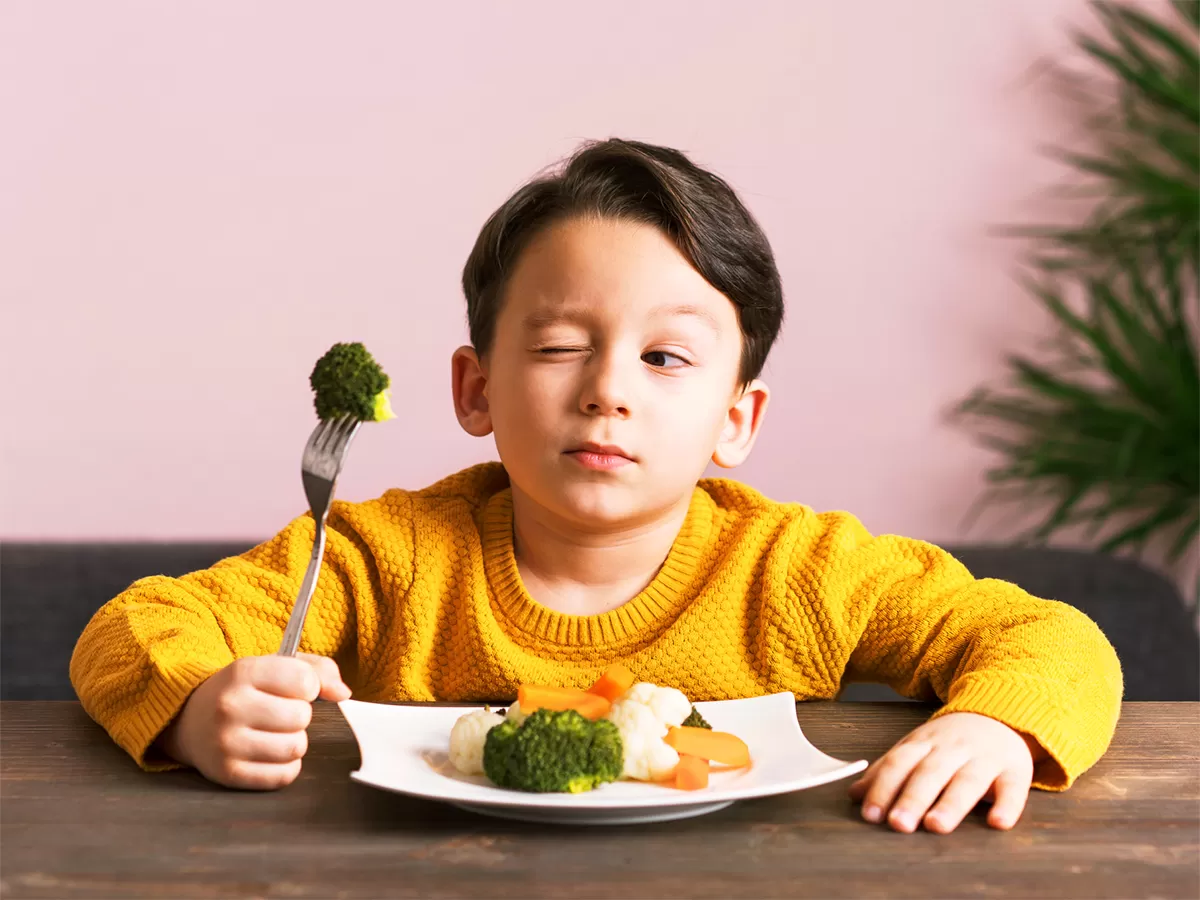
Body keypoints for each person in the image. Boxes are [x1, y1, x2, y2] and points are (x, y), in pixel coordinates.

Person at [70, 138, 1122, 834]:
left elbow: (1050, 639)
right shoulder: (382, 559)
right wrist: (201, 705)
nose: (608, 391)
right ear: (475, 389)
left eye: (666, 360)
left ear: (737, 421)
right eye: (563, 345)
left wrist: (999, 725)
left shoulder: (799, 571)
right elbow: (142, 624)